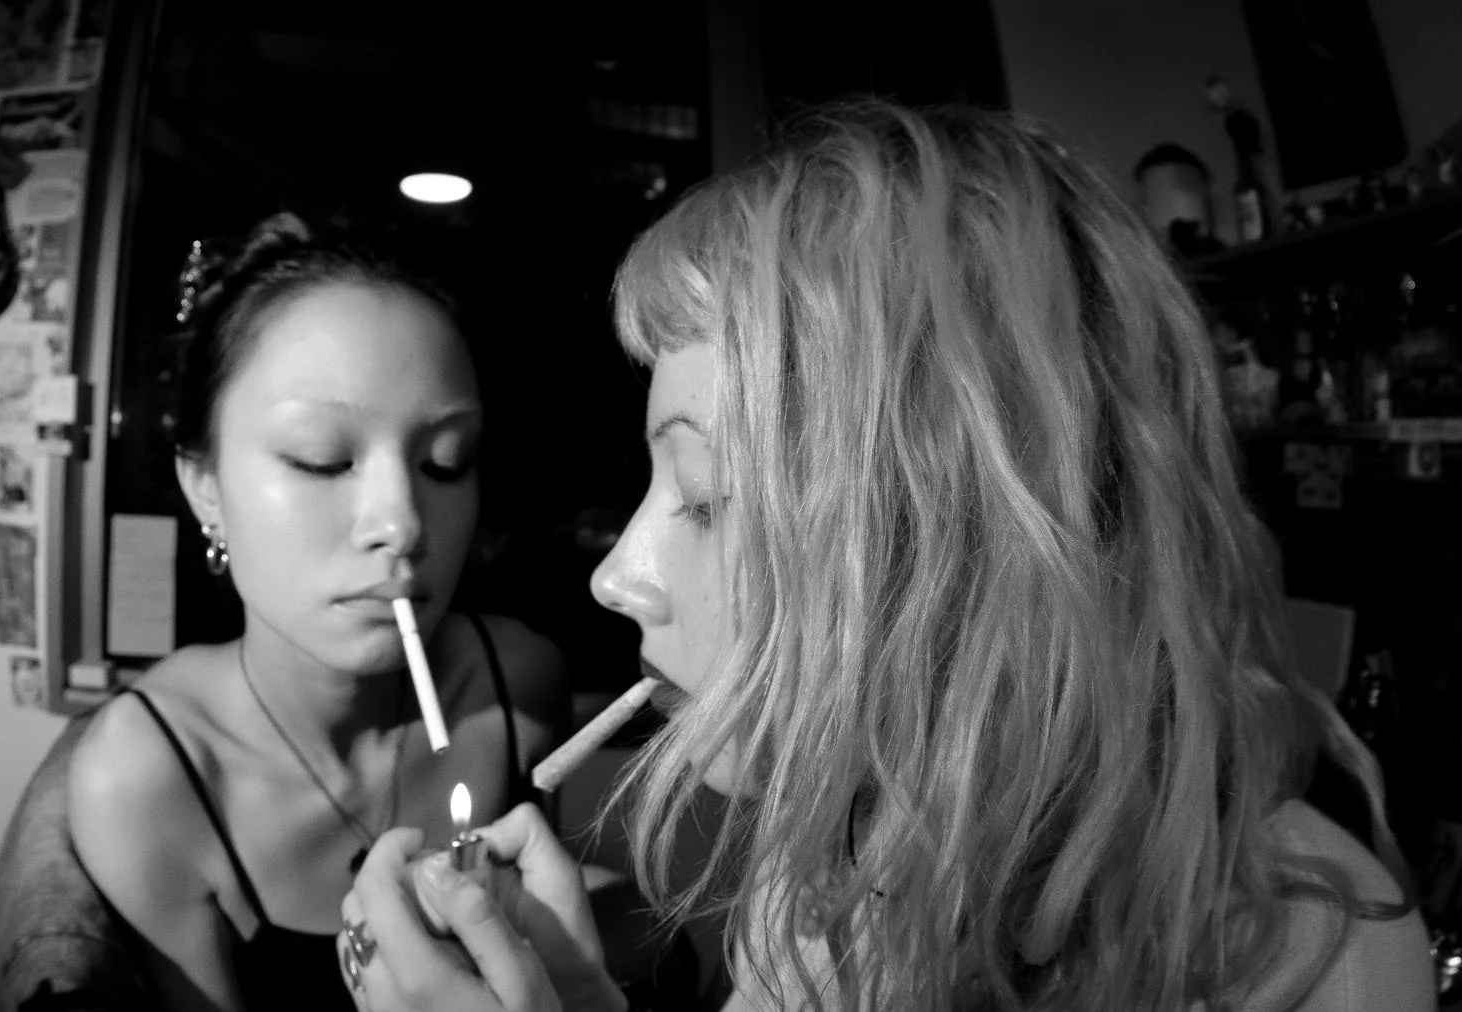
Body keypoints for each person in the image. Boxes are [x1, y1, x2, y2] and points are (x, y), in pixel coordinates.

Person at [336, 101, 1436, 1011]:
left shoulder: (1316, 957)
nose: (616, 573)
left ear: (960, 542)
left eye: (709, 498)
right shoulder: (830, 875)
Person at [68, 213, 571, 1011]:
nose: (402, 523)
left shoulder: (520, 685)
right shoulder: (143, 782)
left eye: (447, 462)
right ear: (206, 489)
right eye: (322, 458)